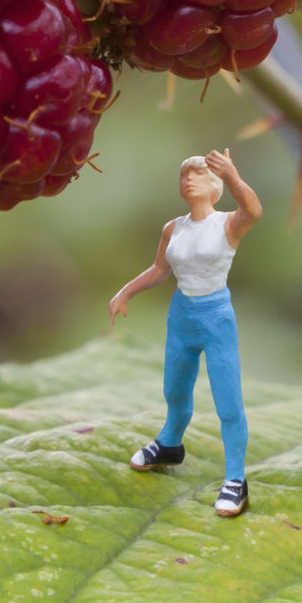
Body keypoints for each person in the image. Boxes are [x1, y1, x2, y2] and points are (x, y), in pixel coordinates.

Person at [107, 148, 264, 518]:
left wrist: (233, 176)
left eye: (197, 175)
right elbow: (160, 269)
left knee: (227, 400)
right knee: (175, 387)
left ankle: (236, 480)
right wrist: (125, 291)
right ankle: (169, 444)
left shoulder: (227, 224)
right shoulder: (173, 228)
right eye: (184, 176)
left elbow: (254, 211)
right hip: (182, 313)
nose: (188, 180)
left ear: (214, 186)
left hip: (215, 314)